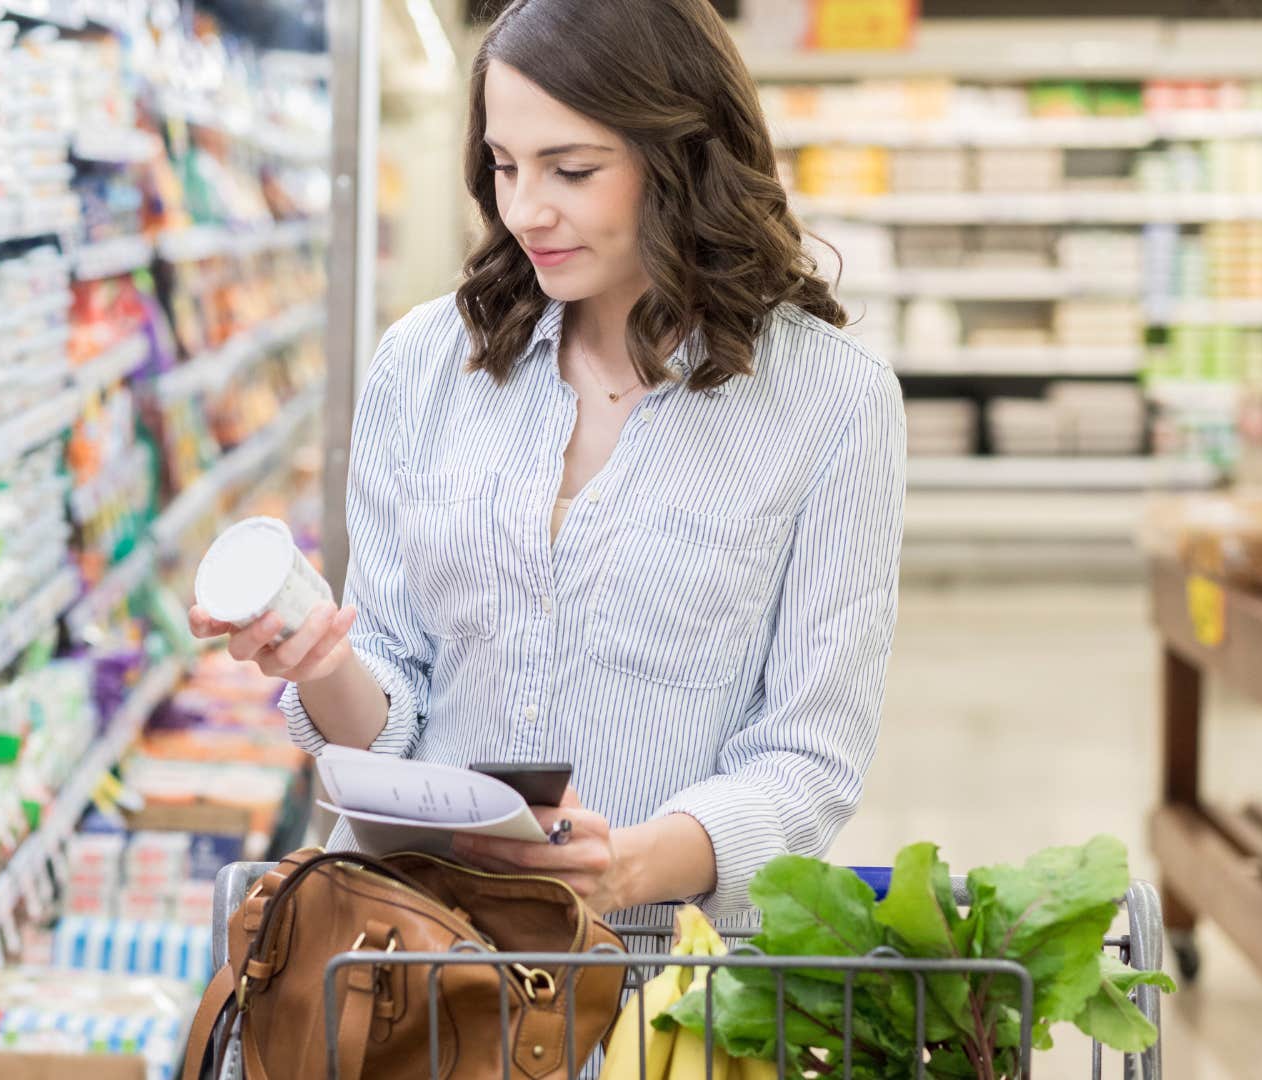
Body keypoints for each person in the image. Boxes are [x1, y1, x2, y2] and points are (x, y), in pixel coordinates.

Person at [189, 0, 905, 919]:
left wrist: (633, 866)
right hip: (417, 964)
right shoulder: (425, 362)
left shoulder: (832, 404)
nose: (526, 210)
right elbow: (391, 696)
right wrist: (320, 663)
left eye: (572, 169)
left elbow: (810, 758)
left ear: (683, 156)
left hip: (654, 980)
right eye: (503, 164)